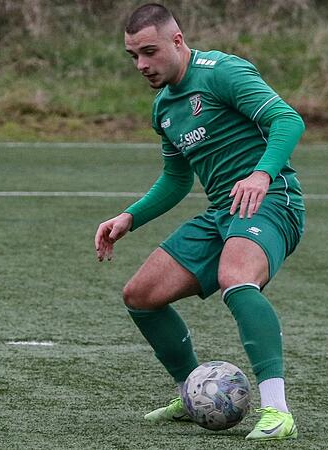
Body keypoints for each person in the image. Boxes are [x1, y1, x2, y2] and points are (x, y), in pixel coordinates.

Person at [94, 3, 305, 441]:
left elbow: (287, 119)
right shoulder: (163, 108)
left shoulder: (222, 72)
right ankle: (193, 392)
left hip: (272, 201)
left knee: (235, 277)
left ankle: (278, 411)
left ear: (177, 40)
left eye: (149, 52)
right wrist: (130, 216)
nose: (141, 65)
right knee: (140, 295)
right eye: (133, 56)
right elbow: (176, 180)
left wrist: (262, 174)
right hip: (221, 212)